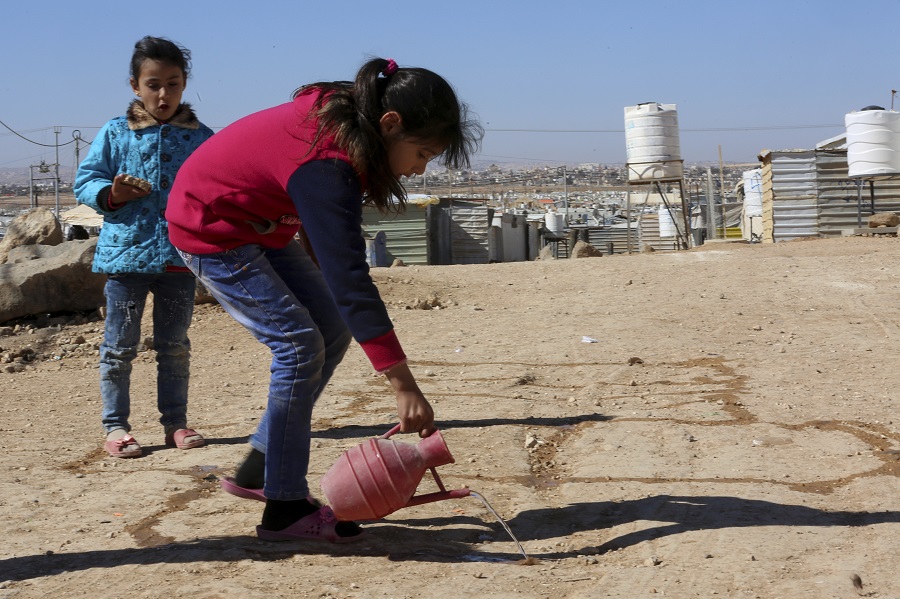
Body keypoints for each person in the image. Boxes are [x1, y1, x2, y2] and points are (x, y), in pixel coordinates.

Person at [166, 57, 481, 543]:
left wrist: (325, 268)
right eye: (421, 153)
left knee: (330, 325)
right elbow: (351, 277)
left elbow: (334, 257)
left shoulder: (347, 122)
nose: (419, 170)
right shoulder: (328, 162)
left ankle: (259, 468)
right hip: (211, 227)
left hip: (258, 226)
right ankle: (285, 508)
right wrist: (403, 385)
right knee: (297, 346)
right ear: (390, 123)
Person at [75, 36, 214, 459]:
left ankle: (175, 423)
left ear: (184, 84)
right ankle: (116, 427)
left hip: (178, 260)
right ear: (135, 85)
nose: (163, 93)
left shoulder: (202, 139)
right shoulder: (116, 133)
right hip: (126, 259)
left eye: (172, 84)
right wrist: (112, 194)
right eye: (153, 84)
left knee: (174, 345)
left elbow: (218, 190)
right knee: (119, 347)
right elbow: (86, 181)